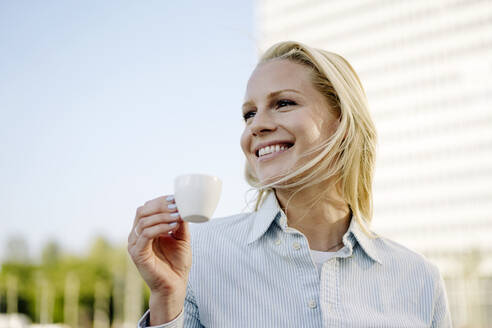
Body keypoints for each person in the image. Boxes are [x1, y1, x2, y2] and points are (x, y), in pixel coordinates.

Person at [128, 41, 452, 327]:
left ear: (342, 120)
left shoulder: (420, 280)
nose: (257, 125)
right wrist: (167, 300)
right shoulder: (198, 254)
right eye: (249, 114)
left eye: (283, 103)